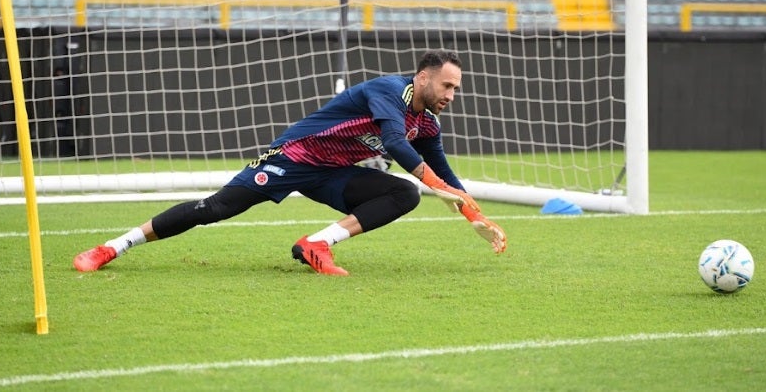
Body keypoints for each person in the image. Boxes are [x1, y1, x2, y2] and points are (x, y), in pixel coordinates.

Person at [73, 50, 507, 276]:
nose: (451, 95)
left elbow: (444, 172)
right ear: (424, 77)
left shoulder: (426, 121)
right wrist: (445, 192)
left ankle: (316, 245)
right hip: (294, 157)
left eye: (456, 89)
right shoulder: (388, 91)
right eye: (447, 86)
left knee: (403, 192)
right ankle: (114, 246)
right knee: (216, 209)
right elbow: (394, 143)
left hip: (332, 175)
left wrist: (474, 213)